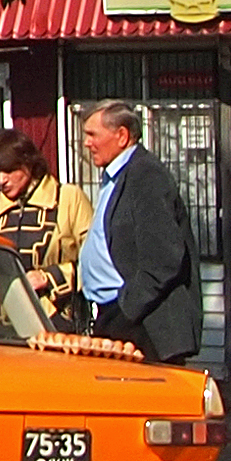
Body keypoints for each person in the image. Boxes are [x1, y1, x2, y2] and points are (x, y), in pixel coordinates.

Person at [74, 99, 201, 363]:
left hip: (144, 324)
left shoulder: (145, 176)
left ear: (121, 136)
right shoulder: (116, 176)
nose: (86, 143)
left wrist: (128, 308)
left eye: (92, 135)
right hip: (113, 315)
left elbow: (164, 257)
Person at [0, 125, 88, 326]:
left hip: (55, 324)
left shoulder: (68, 200)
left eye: (8, 170)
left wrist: (49, 277)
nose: (2, 180)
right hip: (3, 329)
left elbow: (97, 265)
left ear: (28, 164)